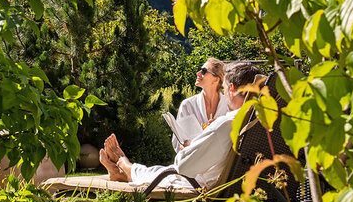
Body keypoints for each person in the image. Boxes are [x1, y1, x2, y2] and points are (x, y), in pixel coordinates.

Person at [101, 62, 262, 188]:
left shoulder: (227, 124)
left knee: (164, 173)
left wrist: (190, 146)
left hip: (202, 185)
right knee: (158, 171)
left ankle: (124, 165)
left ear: (231, 88)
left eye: (225, 88)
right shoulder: (261, 123)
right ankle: (122, 171)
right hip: (238, 185)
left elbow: (183, 167)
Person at [172, 57, 229, 152]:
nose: (198, 73)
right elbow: (177, 142)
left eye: (203, 71)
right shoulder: (188, 105)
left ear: (216, 79)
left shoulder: (229, 106)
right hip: (193, 160)